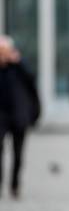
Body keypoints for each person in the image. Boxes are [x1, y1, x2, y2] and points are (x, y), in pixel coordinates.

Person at [0, 35, 40, 199]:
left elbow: (32, 81)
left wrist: (18, 62)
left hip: (18, 115)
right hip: (1, 116)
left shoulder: (19, 67)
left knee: (18, 153)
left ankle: (15, 184)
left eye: (5, 50)